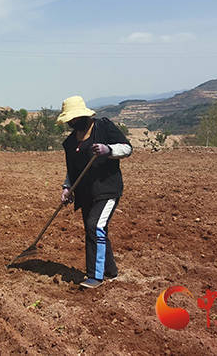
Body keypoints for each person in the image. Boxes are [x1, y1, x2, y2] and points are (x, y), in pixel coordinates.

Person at [57, 96, 132, 289]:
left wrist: (108, 149)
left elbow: (127, 148)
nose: (72, 123)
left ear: (83, 115)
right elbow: (72, 170)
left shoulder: (103, 127)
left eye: (74, 119)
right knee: (95, 231)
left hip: (107, 189)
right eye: (69, 120)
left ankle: (95, 276)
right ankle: (110, 270)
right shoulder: (70, 142)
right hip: (85, 193)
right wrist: (67, 188)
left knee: (95, 226)